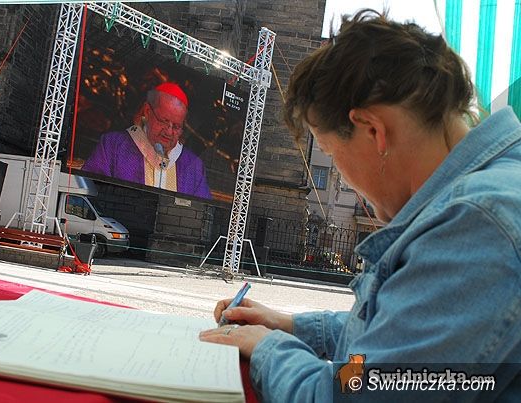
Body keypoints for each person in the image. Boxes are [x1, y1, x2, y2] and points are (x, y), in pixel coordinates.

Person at [199, 9, 521, 402]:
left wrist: (267, 348)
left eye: (333, 153)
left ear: (373, 130)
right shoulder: (495, 191)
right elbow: (396, 336)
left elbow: (350, 392)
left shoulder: (476, 225)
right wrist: (290, 326)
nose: (341, 172)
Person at [82, 82, 212, 199]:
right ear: (147, 111)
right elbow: (88, 191)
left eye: (176, 126)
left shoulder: (193, 166)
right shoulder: (113, 146)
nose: (169, 132)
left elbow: (201, 211)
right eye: (164, 121)